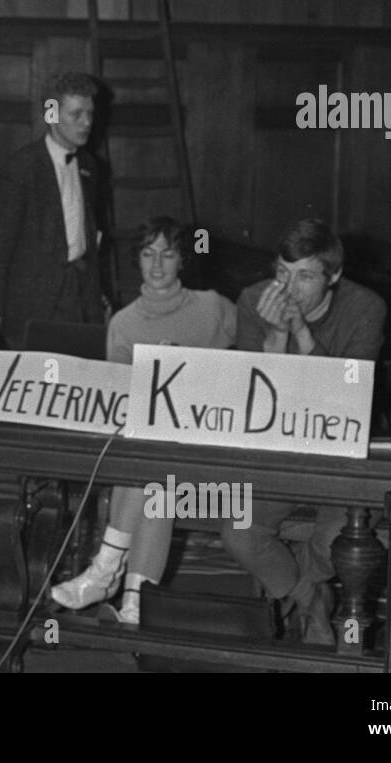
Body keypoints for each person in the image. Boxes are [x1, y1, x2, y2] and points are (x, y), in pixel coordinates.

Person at [50, 217, 235, 624]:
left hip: (207, 443)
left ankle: (106, 568)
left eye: (168, 254)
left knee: (150, 468)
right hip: (154, 451)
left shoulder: (213, 308)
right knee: (154, 476)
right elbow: (118, 401)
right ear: (136, 260)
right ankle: (134, 599)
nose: (157, 264)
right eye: (148, 253)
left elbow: (255, 357)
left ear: (182, 260)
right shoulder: (124, 323)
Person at [225, 218, 386, 645]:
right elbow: (254, 401)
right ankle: (313, 600)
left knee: (339, 540)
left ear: (333, 277)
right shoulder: (253, 300)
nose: (288, 288)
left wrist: (300, 332)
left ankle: (296, 590)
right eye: (282, 272)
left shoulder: (365, 307)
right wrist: (276, 338)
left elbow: (347, 396)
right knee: (239, 529)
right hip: (279, 450)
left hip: (340, 456)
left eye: (305, 276)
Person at [0, 72, 107, 349]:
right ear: (51, 114)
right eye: (76, 114)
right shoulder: (21, 168)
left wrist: (96, 300)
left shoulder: (89, 166)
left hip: (79, 298)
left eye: (90, 113)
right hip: (31, 304)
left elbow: (87, 238)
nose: (87, 122)